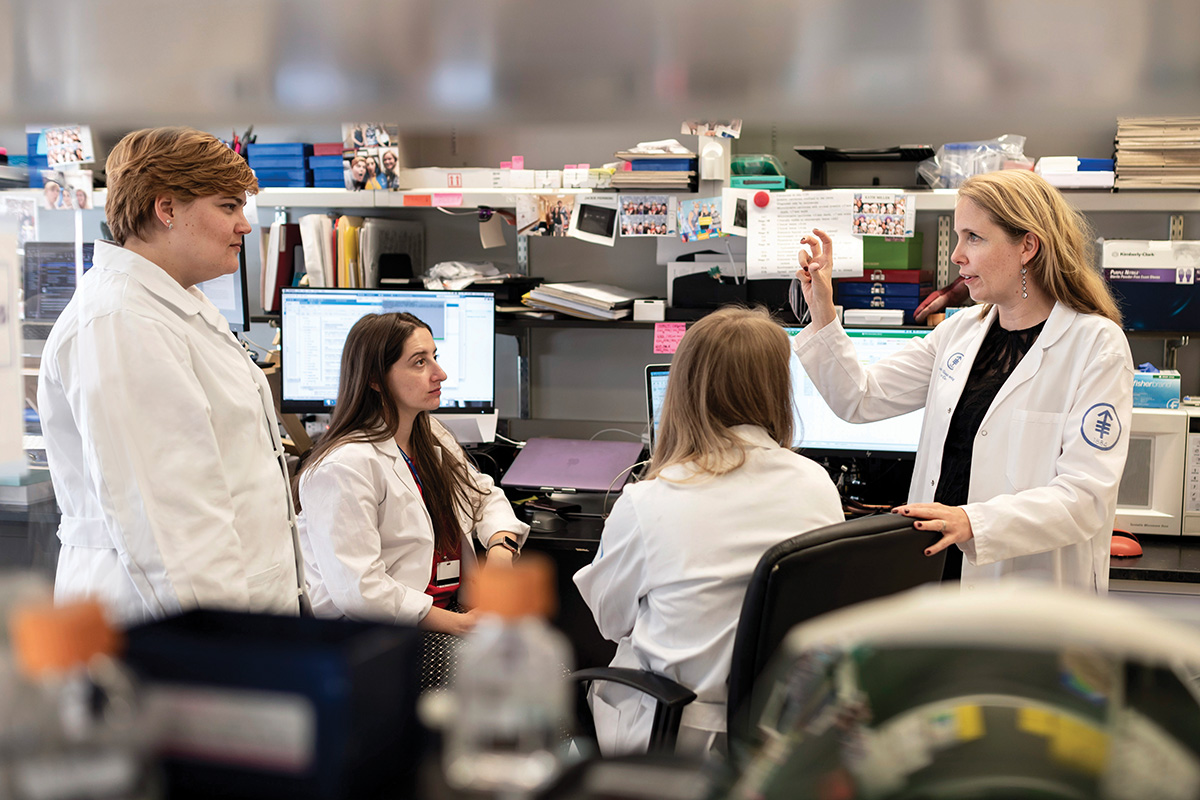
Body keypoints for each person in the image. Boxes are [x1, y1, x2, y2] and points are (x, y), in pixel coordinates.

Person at [791, 169, 1133, 592]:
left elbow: (1086, 500)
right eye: (958, 237)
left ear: (1027, 245)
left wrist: (972, 521)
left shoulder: (1096, 346)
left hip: (1029, 594)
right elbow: (860, 399)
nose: (956, 255)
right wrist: (822, 307)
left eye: (974, 237)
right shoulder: (959, 333)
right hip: (937, 573)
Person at [38, 126, 305, 625]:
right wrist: (224, 650)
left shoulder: (175, 305)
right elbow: (173, 528)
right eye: (228, 207)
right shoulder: (122, 322)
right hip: (171, 629)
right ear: (167, 210)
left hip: (237, 615)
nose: (244, 226)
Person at [574, 307, 844, 758]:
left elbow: (609, 620)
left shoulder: (649, 500)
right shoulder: (816, 483)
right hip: (779, 736)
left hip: (675, 738)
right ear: (778, 388)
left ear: (684, 388)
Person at [294, 312, 528, 652]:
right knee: (516, 688)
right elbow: (361, 592)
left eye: (435, 357)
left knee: (547, 673)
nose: (440, 373)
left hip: (446, 615)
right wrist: (462, 624)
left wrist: (500, 552)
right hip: (378, 640)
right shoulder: (343, 467)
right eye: (419, 362)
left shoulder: (428, 434)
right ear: (375, 379)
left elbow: (483, 498)